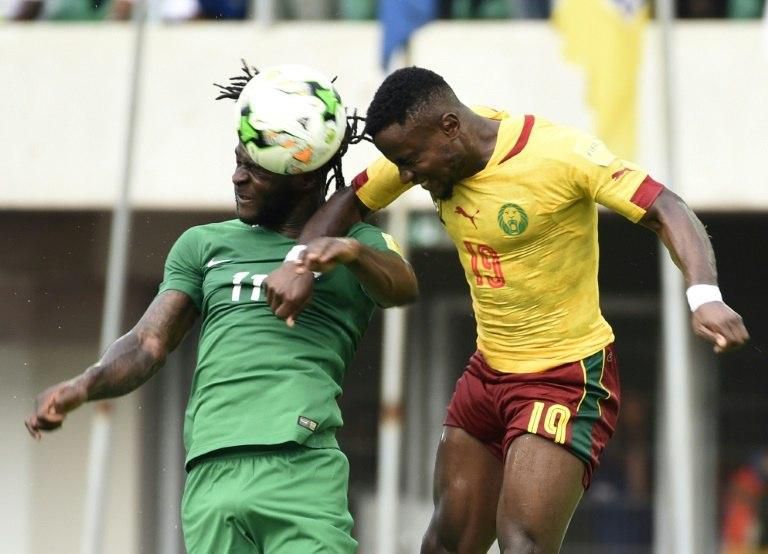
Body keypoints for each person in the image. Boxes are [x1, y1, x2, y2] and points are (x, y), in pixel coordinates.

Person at [261, 66, 750, 553]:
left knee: (523, 543)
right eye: (398, 164)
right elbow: (348, 203)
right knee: (447, 542)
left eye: (410, 162)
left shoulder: (559, 155)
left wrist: (704, 294)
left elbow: (665, 206)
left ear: (449, 126)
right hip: (488, 373)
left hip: (565, 376)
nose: (406, 176)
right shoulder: (420, 149)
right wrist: (298, 263)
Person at [24, 63, 418, 553]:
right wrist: (84, 383)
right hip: (210, 473)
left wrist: (345, 252)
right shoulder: (203, 244)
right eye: (238, 160)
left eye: (255, 169)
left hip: (301, 468)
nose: (238, 177)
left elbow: (403, 287)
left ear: (300, 180)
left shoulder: (359, 243)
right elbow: (148, 342)